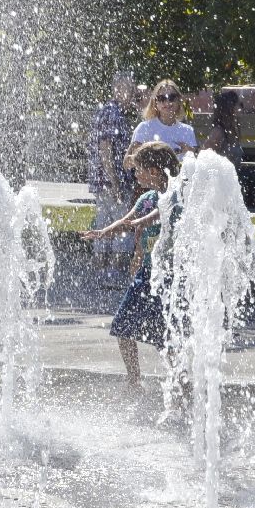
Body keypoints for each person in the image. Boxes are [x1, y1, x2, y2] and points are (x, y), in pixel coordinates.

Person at [83, 142, 180, 388]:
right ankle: (134, 380)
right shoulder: (147, 198)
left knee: (164, 339)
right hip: (146, 274)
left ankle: (182, 385)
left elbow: (160, 213)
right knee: (123, 327)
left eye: (139, 169)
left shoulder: (177, 195)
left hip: (169, 277)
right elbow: (129, 221)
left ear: (155, 171)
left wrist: (143, 222)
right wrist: (104, 231)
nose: (135, 174)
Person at [89, 71, 138, 286]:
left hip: (107, 181)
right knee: (119, 226)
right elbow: (105, 149)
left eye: (131, 88)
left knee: (108, 224)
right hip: (111, 182)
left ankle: (103, 275)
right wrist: (115, 181)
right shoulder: (111, 113)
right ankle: (111, 275)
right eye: (126, 88)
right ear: (116, 89)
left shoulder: (114, 112)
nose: (129, 92)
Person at [132, 80, 198, 154]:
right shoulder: (144, 128)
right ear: (155, 102)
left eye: (172, 97)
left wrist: (190, 152)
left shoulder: (187, 130)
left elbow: (196, 160)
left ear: (179, 100)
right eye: (162, 98)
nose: (167, 103)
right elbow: (128, 162)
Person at [204, 88, 243, 168]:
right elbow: (203, 157)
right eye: (240, 104)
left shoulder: (232, 130)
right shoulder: (218, 132)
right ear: (230, 107)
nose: (242, 108)